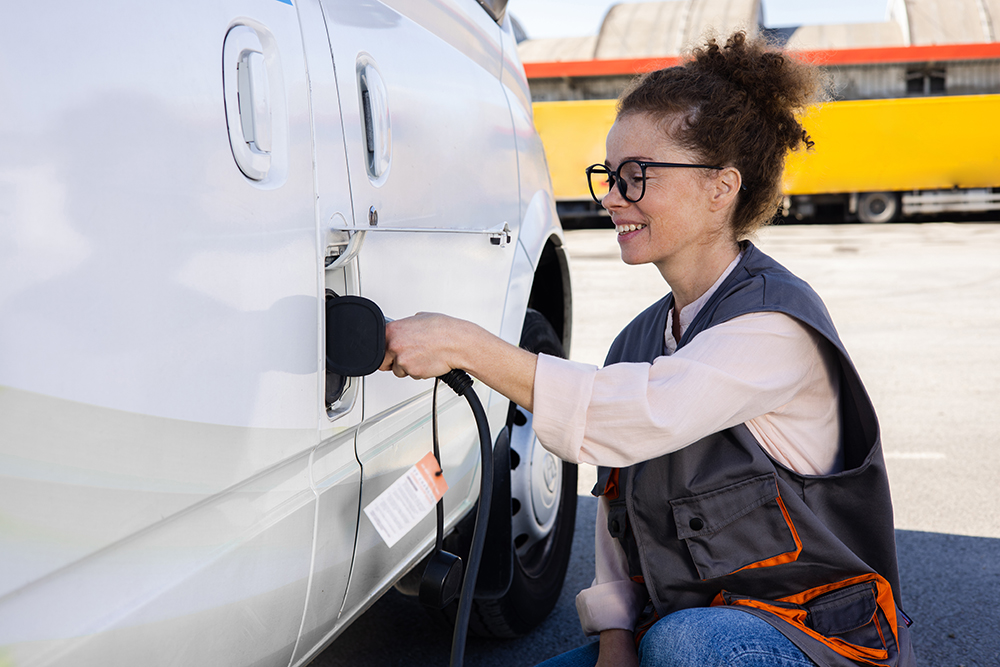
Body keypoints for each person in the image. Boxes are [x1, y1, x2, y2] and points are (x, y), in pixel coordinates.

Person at [380, 31, 914, 667]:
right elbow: (617, 518)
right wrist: (613, 641)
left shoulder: (775, 327)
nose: (610, 197)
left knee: (682, 644)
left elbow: (631, 417)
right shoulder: (636, 341)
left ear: (721, 187)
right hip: (684, 634)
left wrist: (465, 345)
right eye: (609, 175)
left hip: (816, 637)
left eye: (636, 177)